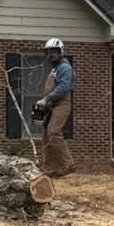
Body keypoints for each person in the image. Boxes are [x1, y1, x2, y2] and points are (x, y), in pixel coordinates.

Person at [33, 37, 75, 177]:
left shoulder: (65, 67)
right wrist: (45, 105)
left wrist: (46, 100)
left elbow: (64, 87)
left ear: (61, 52)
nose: (51, 54)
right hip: (51, 106)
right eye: (49, 52)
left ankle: (67, 164)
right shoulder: (55, 69)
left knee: (53, 132)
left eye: (54, 52)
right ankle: (50, 168)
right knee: (46, 135)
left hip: (62, 104)